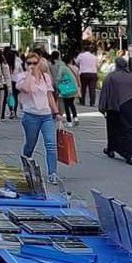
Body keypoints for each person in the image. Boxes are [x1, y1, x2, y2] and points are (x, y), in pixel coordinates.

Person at [19, 50, 61, 184]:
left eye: (35, 63)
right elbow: (26, 89)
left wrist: (57, 112)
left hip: (46, 115)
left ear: (39, 63)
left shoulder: (45, 77)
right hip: (30, 115)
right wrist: (30, 75)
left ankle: (52, 173)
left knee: (51, 144)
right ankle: (26, 161)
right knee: (30, 144)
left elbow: (49, 95)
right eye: (29, 63)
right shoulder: (22, 76)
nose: (32, 65)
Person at [99, 57, 132, 165]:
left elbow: (105, 93)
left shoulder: (111, 77)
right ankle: (129, 153)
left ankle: (111, 148)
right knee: (130, 129)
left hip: (114, 107)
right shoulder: (131, 76)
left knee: (113, 129)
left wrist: (102, 107)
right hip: (130, 106)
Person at [56, 53, 81, 127]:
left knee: (66, 105)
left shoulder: (62, 68)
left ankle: (69, 121)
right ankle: (75, 117)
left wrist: (57, 86)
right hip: (74, 88)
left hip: (66, 89)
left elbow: (59, 78)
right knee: (72, 103)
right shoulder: (75, 68)